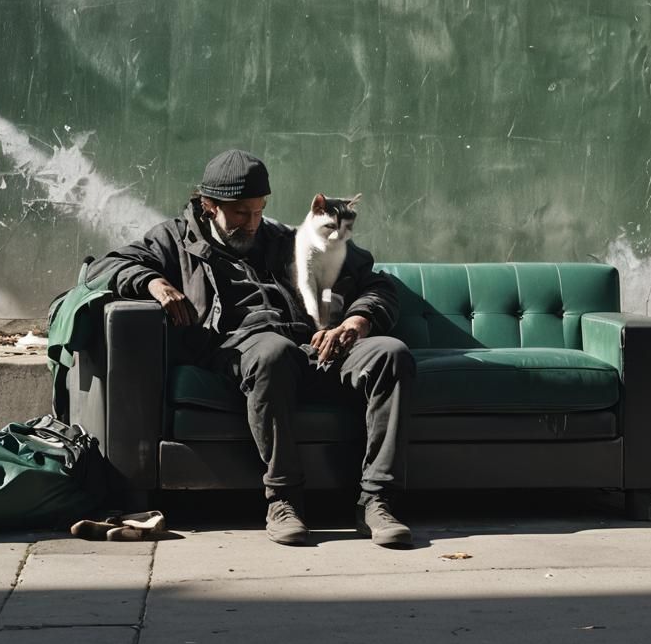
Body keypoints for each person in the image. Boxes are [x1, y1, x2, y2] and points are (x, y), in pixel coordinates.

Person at [89, 148, 415, 547]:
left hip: (312, 346)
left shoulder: (283, 239)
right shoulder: (175, 239)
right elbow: (102, 267)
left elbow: (375, 282)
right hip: (243, 349)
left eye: (259, 211)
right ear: (209, 205)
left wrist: (356, 320)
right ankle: (283, 499)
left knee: (390, 354)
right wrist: (153, 283)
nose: (253, 223)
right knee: (271, 351)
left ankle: (378, 501)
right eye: (241, 213)